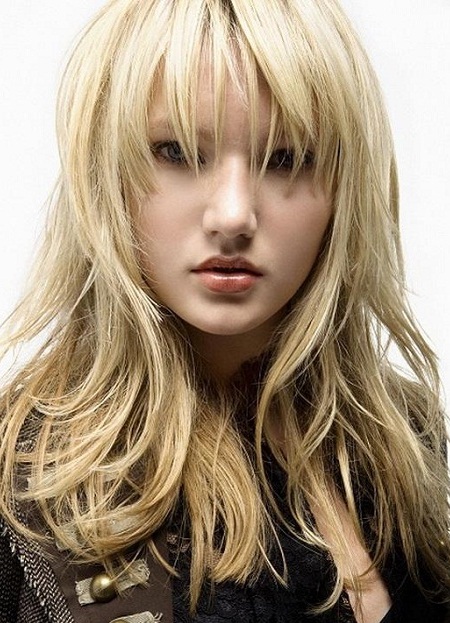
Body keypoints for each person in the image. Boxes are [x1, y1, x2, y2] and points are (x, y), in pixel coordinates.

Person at [0, 0, 449, 622]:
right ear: (104, 172)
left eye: (285, 158)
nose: (233, 215)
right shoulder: (20, 482)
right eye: (178, 152)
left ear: (345, 187)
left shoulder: (401, 438)